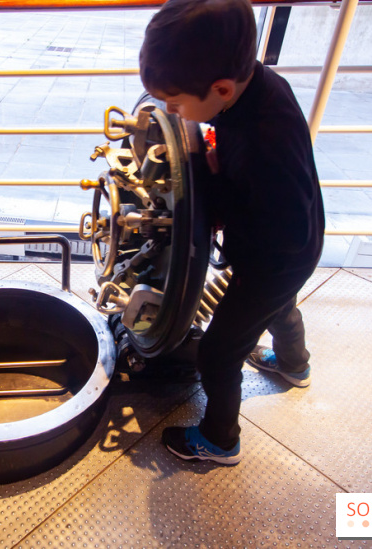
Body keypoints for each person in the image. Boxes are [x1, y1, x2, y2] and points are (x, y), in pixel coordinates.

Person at [139, 0, 325, 465]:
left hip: (273, 258)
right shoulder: (260, 85)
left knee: (220, 354)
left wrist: (217, 190)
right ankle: (294, 365)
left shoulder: (265, 142)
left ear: (220, 87)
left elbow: (281, 229)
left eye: (176, 103)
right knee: (281, 304)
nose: (171, 111)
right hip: (295, 253)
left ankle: (220, 439)